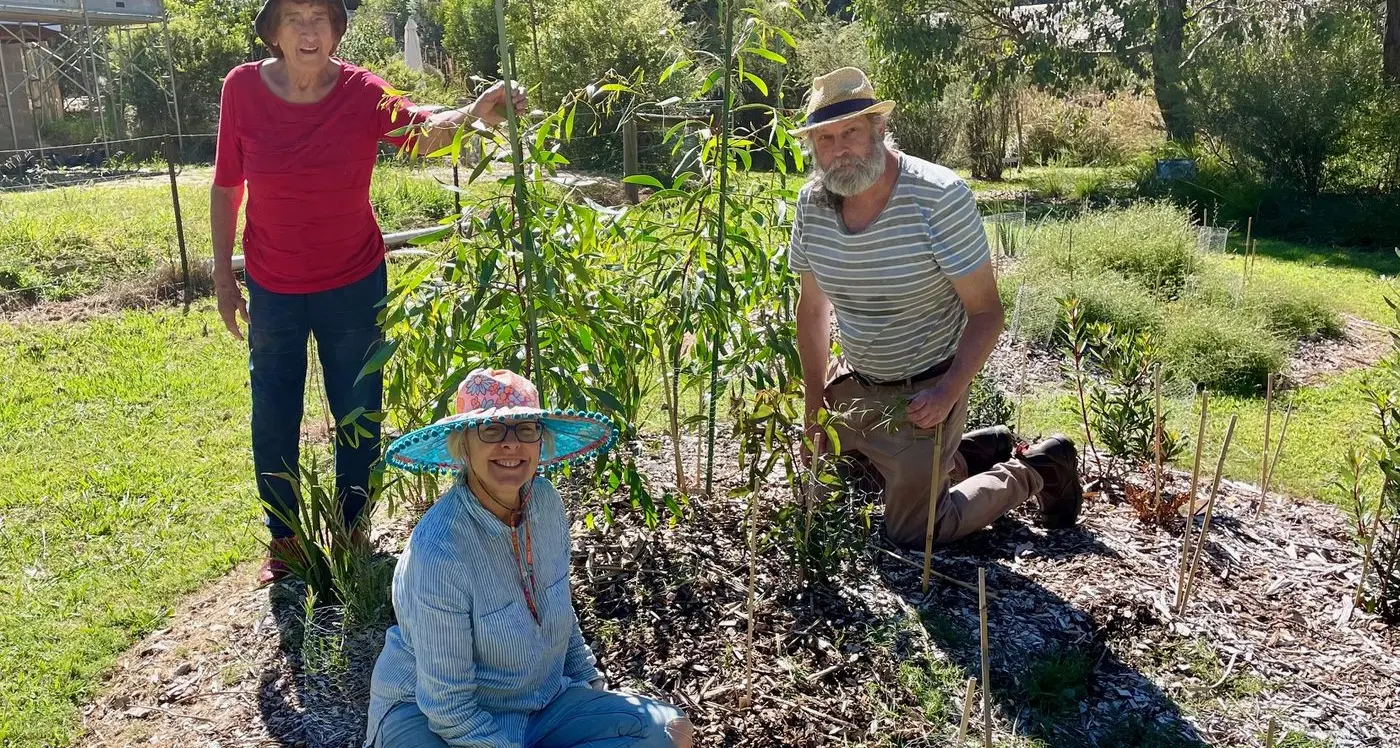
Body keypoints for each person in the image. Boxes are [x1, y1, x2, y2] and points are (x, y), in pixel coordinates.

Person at [210, 0, 526, 585]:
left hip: (353, 282)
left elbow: (423, 135)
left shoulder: (361, 92)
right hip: (273, 285)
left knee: (358, 407)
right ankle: (286, 541)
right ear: (273, 32)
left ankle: (353, 529)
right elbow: (227, 185)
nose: (308, 30)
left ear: (336, 29)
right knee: (273, 413)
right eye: (295, 17)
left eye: (320, 17)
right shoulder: (242, 90)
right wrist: (224, 278)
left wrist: (478, 110)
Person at [789, 67, 1084, 550]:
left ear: (878, 130)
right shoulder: (813, 205)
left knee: (914, 531)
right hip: (859, 379)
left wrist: (948, 391)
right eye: (825, 139)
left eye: (851, 133)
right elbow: (813, 309)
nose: (839, 149)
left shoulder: (938, 197)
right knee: (839, 491)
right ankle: (970, 453)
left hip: (926, 388)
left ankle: (1036, 468)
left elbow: (988, 313)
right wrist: (814, 402)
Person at [366, 369, 694, 748]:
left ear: (541, 441)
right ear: (463, 446)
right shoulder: (439, 552)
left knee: (668, 731)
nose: (511, 444)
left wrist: (589, 686)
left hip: (535, 702)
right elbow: (449, 708)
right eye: (490, 429)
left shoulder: (546, 503)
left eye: (525, 429)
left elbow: (559, 607)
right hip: (429, 717)